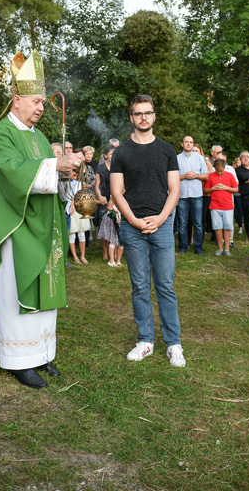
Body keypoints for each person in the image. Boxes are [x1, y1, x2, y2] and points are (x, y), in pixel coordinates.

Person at [0, 51, 82, 389]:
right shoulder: (0, 133)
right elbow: (10, 173)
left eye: (42, 103)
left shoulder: (37, 137)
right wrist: (55, 166)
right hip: (14, 226)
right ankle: (19, 359)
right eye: (35, 101)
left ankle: (41, 353)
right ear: (16, 100)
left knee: (44, 289)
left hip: (43, 225)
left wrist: (68, 173)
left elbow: (47, 178)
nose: (39, 108)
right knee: (15, 289)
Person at [111, 95, 185, 367]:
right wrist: (133, 220)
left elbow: (175, 189)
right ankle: (145, 340)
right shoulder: (122, 152)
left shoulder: (167, 150)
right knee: (140, 285)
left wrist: (162, 218)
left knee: (165, 285)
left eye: (148, 113)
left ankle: (173, 343)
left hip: (162, 226)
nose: (144, 117)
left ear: (154, 117)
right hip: (133, 227)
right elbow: (116, 192)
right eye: (138, 113)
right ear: (131, 118)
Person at [176, 135, 208, 254]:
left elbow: (206, 175)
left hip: (197, 195)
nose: (189, 144)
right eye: (186, 142)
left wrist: (196, 176)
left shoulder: (199, 158)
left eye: (191, 142)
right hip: (182, 195)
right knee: (182, 224)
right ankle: (183, 246)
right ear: (182, 144)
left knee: (198, 223)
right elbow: (172, 177)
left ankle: (198, 247)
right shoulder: (177, 158)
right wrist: (184, 176)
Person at [205, 158, 238, 256]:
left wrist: (226, 188)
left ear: (224, 168)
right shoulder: (211, 176)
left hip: (228, 206)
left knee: (227, 227)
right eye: (218, 171)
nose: (220, 173)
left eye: (221, 171)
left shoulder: (230, 175)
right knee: (218, 227)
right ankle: (220, 248)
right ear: (214, 168)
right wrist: (213, 188)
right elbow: (205, 190)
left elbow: (236, 189)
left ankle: (227, 248)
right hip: (215, 206)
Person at [236, 150, 249, 243]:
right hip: (246, 197)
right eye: (243, 157)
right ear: (240, 159)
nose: (246, 158)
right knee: (248, 218)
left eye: (247, 156)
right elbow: (243, 177)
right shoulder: (238, 170)